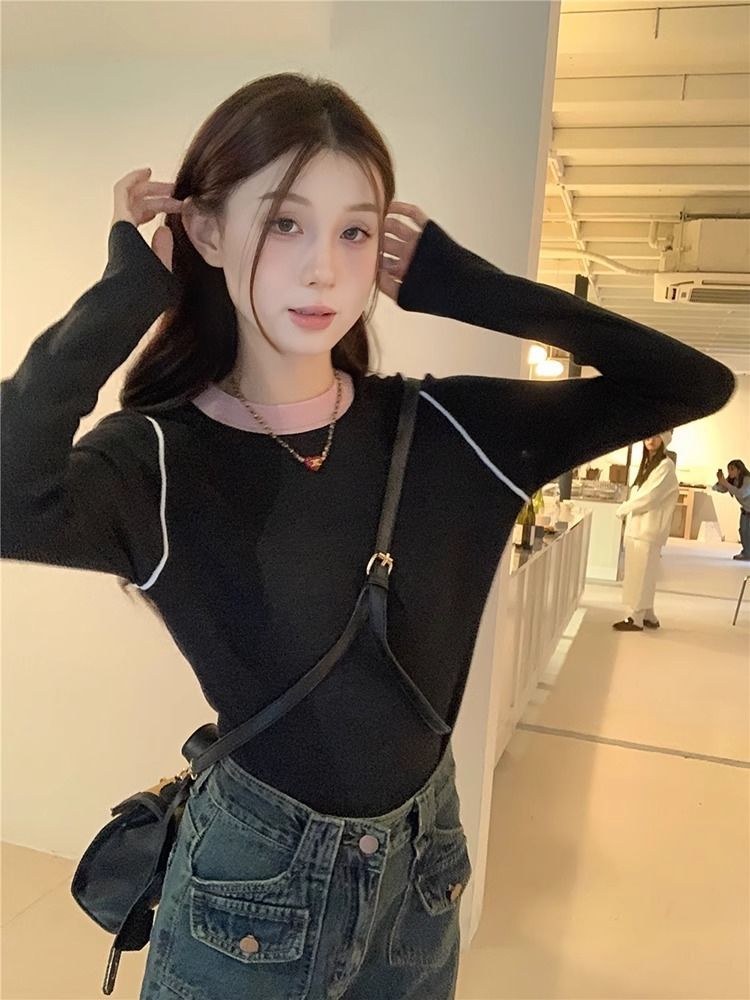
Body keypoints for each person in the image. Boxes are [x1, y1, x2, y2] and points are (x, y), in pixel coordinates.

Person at [0, 73, 736, 1000]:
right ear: (208, 232)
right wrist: (126, 290)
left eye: (355, 231)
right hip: (250, 891)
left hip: (422, 876)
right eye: (284, 223)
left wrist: (472, 289)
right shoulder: (155, 457)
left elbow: (691, 385)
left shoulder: (453, 433)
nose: (324, 269)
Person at [613, 433, 680, 631]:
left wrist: (624, 508)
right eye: (648, 436)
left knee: (641, 574)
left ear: (664, 439)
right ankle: (649, 615)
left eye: (656, 436)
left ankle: (636, 618)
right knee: (642, 573)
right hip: (639, 528)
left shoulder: (665, 465)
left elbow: (650, 496)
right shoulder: (647, 464)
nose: (650, 440)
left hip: (648, 529)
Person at [712, 459, 750, 560]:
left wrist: (725, 483)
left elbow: (742, 493)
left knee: (748, 532)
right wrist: (720, 481)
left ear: (739, 470)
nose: (730, 472)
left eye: (732, 469)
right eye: (728, 469)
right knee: (743, 531)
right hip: (746, 510)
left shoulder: (747, 480)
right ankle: (746, 553)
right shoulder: (733, 480)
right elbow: (720, 489)